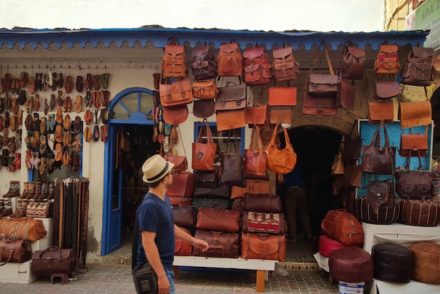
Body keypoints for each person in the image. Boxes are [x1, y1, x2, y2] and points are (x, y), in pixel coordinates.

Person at [134, 155, 209, 294]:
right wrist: (161, 276)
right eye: (170, 172)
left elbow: (169, 226)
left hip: (164, 268)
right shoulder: (149, 206)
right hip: (154, 271)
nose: (172, 173)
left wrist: (193, 241)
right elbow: (148, 242)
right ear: (164, 179)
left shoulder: (163, 199)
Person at [283, 160, 313, 241]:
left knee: (291, 214)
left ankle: (293, 237)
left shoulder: (284, 164)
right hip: (302, 189)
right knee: (304, 213)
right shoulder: (298, 163)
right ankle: (309, 234)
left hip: (291, 190)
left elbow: (281, 180)